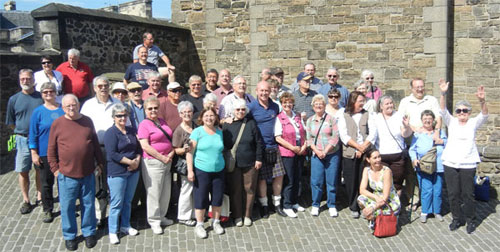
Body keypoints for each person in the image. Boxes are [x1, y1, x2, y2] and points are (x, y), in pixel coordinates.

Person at [47, 94, 104, 251]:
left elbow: (95, 144)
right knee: (67, 207)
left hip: (87, 173)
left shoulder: (87, 121)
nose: (71, 108)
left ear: (78, 105)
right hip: (66, 175)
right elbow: (51, 149)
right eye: (68, 106)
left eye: (74, 105)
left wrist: (99, 163)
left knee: (88, 204)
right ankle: (70, 235)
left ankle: (89, 232)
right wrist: (55, 169)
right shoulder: (58, 124)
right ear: (63, 108)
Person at [439, 79, 489, 234]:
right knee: (453, 194)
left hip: (468, 164)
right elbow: (442, 110)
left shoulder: (473, 123)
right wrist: (442, 93)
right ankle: (456, 219)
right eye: (459, 110)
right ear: (455, 113)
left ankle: (471, 220)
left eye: (465, 110)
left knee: (468, 194)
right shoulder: (452, 122)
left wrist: (482, 101)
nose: (462, 113)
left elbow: (485, 115)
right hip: (450, 163)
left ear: (469, 112)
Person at [81, 75, 123, 229]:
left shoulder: (117, 103)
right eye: (100, 86)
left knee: (112, 182)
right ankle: (99, 215)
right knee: (97, 184)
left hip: (114, 150)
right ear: (94, 88)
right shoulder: (88, 105)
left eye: (106, 85)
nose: (104, 88)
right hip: (95, 148)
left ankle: (114, 214)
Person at [398, 78, 442, 211]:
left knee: (429, 168)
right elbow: (401, 119)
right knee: (412, 170)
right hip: (412, 137)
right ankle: (414, 198)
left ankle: (428, 199)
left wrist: (437, 132)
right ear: (412, 88)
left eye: (422, 86)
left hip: (429, 138)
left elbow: (438, 118)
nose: (419, 89)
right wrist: (414, 129)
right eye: (417, 87)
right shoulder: (405, 101)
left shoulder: (431, 100)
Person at [6, 69, 43, 215]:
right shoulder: (14, 99)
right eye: (23, 79)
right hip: (22, 139)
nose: (25, 81)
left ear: (33, 80)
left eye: (28, 78)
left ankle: (40, 197)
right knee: (23, 171)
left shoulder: (41, 97)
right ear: (19, 80)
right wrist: (23, 132)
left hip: (39, 139)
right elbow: (11, 122)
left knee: (40, 169)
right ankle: (26, 199)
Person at [104, 103, 141, 244]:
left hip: (133, 171)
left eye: (124, 115)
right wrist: (130, 162)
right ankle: (113, 230)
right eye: (119, 116)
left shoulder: (131, 130)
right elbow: (112, 154)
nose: (122, 118)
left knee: (128, 201)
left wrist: (136, 160)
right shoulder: (110, 133)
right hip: (118, 172)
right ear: (113, 117)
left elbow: (138, 148)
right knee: (116, 202)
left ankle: (125, 225)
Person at [248, 81, 287, 218]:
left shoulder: (275, 107)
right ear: (257, 91)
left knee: (279, 176)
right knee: (262, 179)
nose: (264, 93)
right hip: (260, 149)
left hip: (274, 147)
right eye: (261, 90)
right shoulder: (251, 107)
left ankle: (277, 204)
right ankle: (264, 205)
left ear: (270, 91)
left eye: (266, 90)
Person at [137, 96, 175, 235]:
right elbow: (145, 145)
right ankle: (154, 220)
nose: (153, 110)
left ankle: (162, 216)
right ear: (145, 110)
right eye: (150, 108)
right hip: (153, 162)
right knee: (154, 192)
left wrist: (170, 155)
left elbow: (169, 139)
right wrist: (161, 157)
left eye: (155, 108)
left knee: (165, 191)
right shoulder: (144, 125)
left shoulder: (162, 121)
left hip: (167, 161)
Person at [186, 108, 226, 238]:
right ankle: (200, 224)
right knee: (201, 198)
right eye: (206, 116)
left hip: (219, 170)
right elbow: (190, 153)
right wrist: (190, 171)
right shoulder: (197, 132)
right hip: (201, 170)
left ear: (215, 118)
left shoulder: (219, 132)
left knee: (217, 198)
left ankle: (216, 222)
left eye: (212, 115)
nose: (209, 118)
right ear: (202, 118)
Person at [223, 100, 263, 226]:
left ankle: (247, 215)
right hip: (233, 163)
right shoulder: (227, 125)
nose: (240, 112)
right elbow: (224, 145)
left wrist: (259, 159)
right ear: (233, 111)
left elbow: (258, 143)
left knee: (249, 189)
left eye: (242, 109)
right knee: (235, 190)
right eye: (238, 110)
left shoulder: (251, 123)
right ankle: (237, 215)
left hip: (250, 162)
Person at [28, 82, 65, 223]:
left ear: (56, 93)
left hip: (63, 152)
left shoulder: (63, 109)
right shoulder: (38, 112)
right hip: (44, 153)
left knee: (64, 182)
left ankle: (66, 207)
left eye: (51, 91)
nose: (49, 94)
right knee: (46, 183)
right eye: (45, 92)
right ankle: (48, 209)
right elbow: (33, 134)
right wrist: (34, 153)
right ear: (42, 94)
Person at [338, 91, 376, 218]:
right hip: (350, 153)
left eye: (363, 101)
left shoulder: (367, 114)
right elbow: (344, 135)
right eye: (360, 101)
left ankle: (364, 204)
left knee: (364, 180)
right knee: (351, 180)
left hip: (365, 153)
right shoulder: (344, 115)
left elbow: (372, 133)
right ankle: (353, 205)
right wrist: (357, 147)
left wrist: (362, 149)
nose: (362, 103)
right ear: (353, 101)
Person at [306, 95, 341, 217]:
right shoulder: (310, 120)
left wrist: (325, 151)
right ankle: (315, 204)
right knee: (316, 181)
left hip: (331, 154)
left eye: (320, 104)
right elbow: (309, 139)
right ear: (313, 106)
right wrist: (317, 150)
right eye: (316, 104)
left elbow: (335, 137)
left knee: (331, 181)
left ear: (325, 105)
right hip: (317, 154)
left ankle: (331, 204)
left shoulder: (332, 119)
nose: (318, 106)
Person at [409, 110, 446, 223]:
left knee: (437, 189)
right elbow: (412, 149)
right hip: (424, 166)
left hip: (439, 165)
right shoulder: (418, 134)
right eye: (425, 119)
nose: (427, 121)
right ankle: (425, 211)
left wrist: (441, 141)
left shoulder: (440, 132)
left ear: (433, 120)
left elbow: (447, 143)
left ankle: (437, 211)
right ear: (422, 121)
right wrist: (414, 159)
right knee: (426, 189)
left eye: (429, 118)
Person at [372, 95, 413, 196]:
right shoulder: (375, 117)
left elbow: (405, 134)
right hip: (382, 156)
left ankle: (395, 207)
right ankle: (383, 207)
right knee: (382, 183)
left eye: (391, 103)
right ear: (381, 106)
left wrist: (407, 126)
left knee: (397, 183)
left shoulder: (399, 115)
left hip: (397, 156)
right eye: (387, 104)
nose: (390, 105)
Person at [275, 92, 306, 218]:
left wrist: (303, 147)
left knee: (298, 177)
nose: (287, 104)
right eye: (285, 102)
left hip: (300, 150)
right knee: (289, 179)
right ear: (281, 104)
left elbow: (304, 133)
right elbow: (278, 137)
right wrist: (292, 147)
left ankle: (294, 201)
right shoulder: (279, 118)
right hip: (287, 152)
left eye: (289, 102)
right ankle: (286, 205)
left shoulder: (297, 116)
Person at [357, 149, 401, 226]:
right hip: (377, 196)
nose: (378, 160)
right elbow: (362, 190)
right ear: (368, 160)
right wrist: (375, 197)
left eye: (379, 157)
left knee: (374, 210)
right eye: (375, 158)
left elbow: (385, 197)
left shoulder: (386, 171)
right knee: (361, 199)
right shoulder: (366, 170)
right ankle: (373, 219)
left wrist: (372, 208)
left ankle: (380, 219)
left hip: (389, 200)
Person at [172, 101, 196, 227]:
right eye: (184, 112)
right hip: (185, 164)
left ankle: (192, 213)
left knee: (194, 189)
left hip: (197, 162)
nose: (187, 114)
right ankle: (183, 216)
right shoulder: (179, 130)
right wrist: (185, 149)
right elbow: (175, 149)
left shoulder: (196, 126)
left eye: (189, 111)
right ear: (180, 114)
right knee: (186, 189)